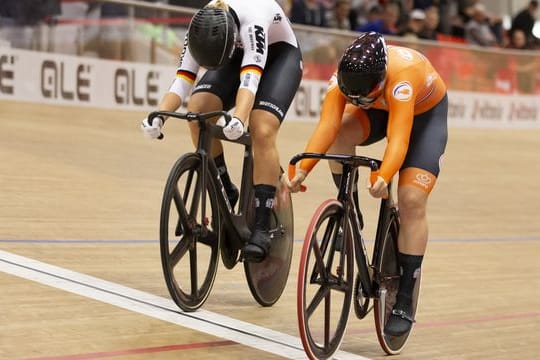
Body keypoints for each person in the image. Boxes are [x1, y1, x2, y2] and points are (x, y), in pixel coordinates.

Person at [284, 32, 448, 336]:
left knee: (411, 199)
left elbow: (399, 139)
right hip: (378, 111)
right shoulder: (343, 78)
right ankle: (350, 212)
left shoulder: (402, 77)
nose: (357, 100)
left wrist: (384, 176)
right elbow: (328, 127)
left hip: (424, 118)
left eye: (364, 96)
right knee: (340, 135)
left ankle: (405, 298)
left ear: (380, 79)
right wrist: (303, 169)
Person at [140, 0, 303, 263]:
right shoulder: (200, 27)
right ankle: (225, 187)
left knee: (262, 128)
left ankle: (261, 225)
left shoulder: (253, 20)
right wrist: (158, 116)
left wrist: (238, 117)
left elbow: (250, 79)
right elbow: (183, 79)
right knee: (198, 111)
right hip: (233, 54)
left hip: (279, 57)